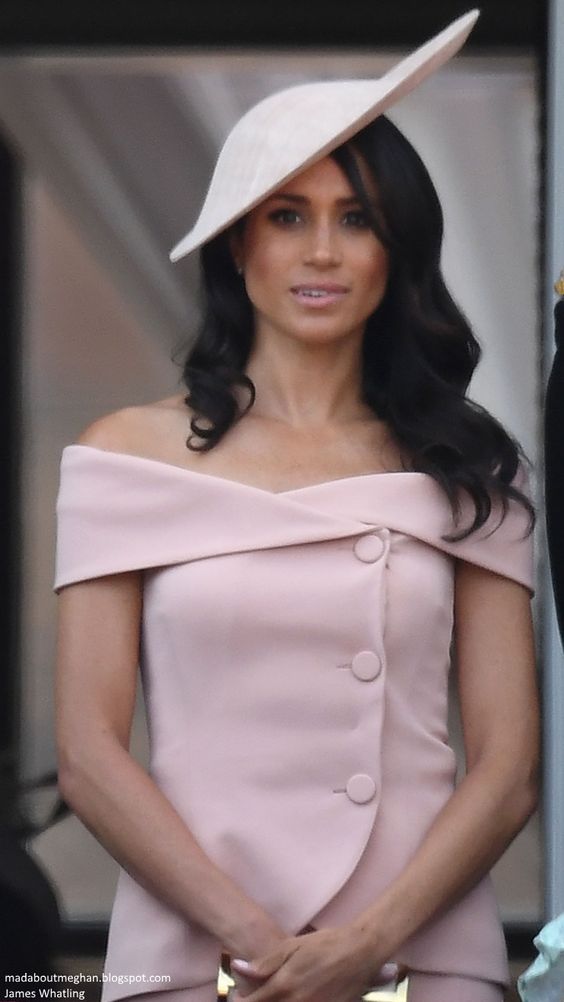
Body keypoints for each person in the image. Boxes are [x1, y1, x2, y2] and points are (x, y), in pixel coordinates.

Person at [54, 11, 539, 1002]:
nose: (323, 250)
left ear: (396, 249)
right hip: (197, 963)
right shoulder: (126, 456)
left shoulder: (469, 466)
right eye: (287, 216)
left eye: (357, 219)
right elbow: (88, 755)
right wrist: (255, 945)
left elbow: (508, 769)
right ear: (238, 243)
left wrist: (369, 945)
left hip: (416, 962)